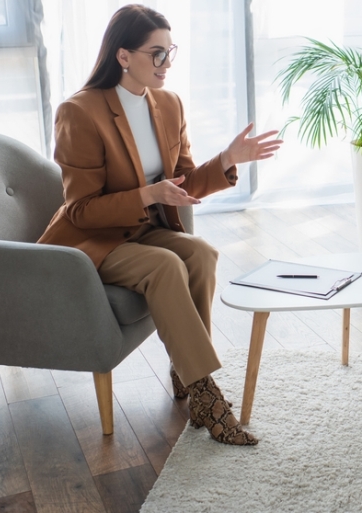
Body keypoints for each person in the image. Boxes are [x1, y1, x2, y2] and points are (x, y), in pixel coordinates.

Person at [37, 4, 282, 445]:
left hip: (145, 229)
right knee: (165, 265)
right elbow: (81, 210)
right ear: (123, 56)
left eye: (170, 52)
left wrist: (228, 159)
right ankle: (205, 394)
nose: (166, 64)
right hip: (93, 241)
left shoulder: (168, 104)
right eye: (156, 53)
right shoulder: (80, 112)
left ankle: (185, 371)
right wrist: (148, 194)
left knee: (201, 252)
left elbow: (185, 180)